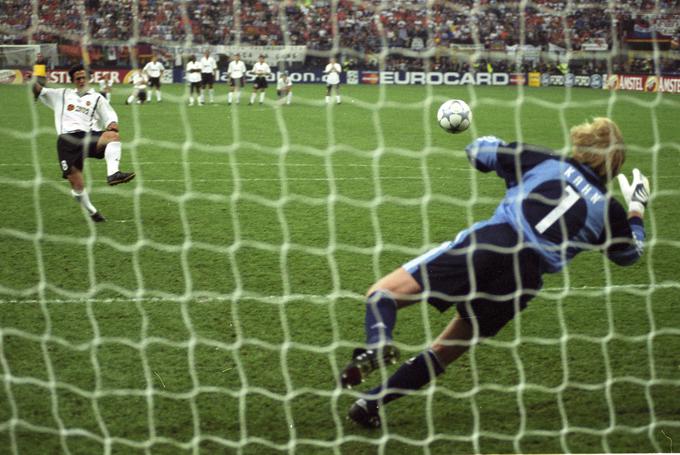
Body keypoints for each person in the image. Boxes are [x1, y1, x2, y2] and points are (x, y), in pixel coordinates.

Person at [340, 118, 650, 428]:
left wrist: (488, 139)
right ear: (616, 164)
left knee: (383, 293)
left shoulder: (544, 160)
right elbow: (629, 255)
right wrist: (636, 206)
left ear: (582, 142)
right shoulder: (610, 211)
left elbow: (478, 151)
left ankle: (378, 342)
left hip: (491, 244)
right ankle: (371, 403)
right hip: (521, 280)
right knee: (446, 350)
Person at [33, 64, 135, 222]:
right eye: (78, 78)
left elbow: (109, 114)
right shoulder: (62, 94)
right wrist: (32, 80)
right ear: (73, 80)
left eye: (84, 77)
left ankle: (113, 174)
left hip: (87, 137)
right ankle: (93, 212)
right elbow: (39, 91)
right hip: (67, 141)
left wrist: (112, 123)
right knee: (77, 185)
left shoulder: (97, 98)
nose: (81, 80)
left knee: (112, 136)